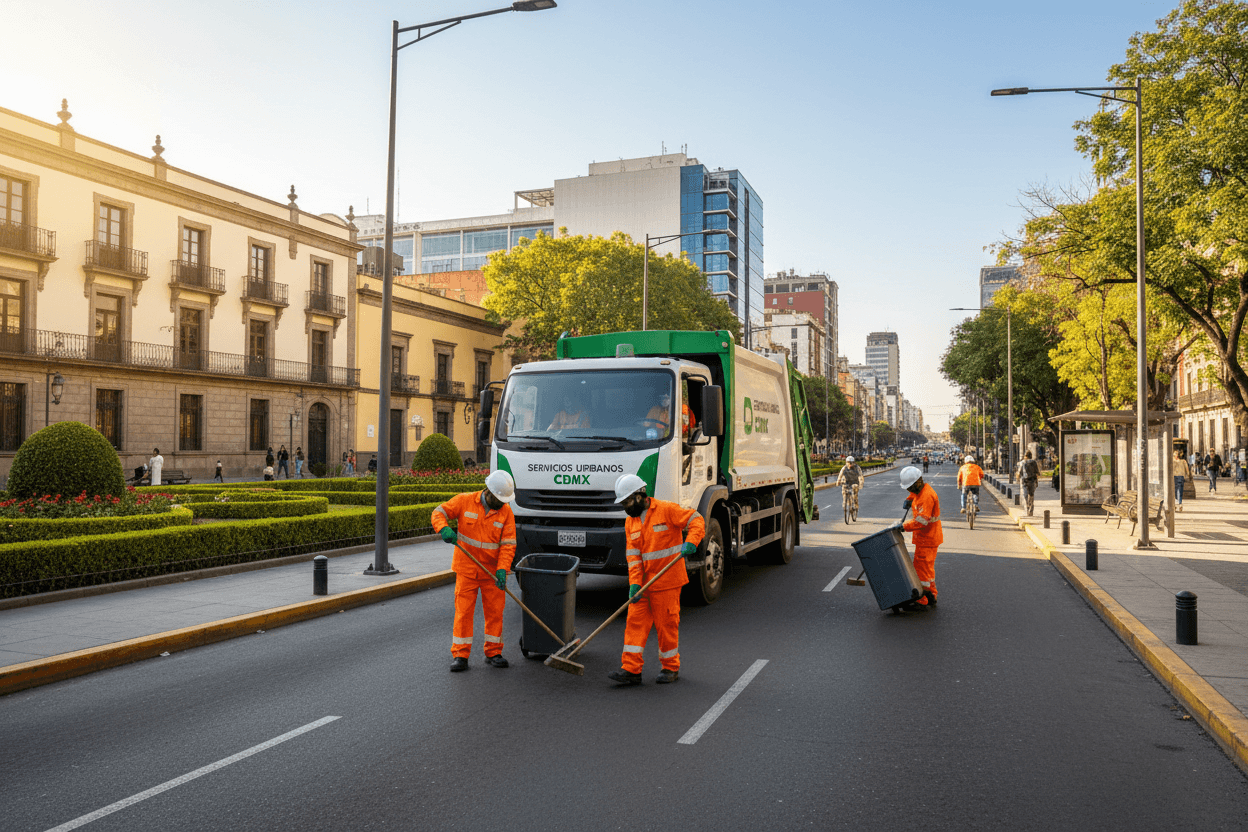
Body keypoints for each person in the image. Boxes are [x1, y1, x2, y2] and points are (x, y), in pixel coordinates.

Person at [607, 474, 705, 685]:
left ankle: (670, 668)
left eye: (627, 502)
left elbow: (696, 519)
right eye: (623, 503)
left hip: (667, 581)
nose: (625, 507)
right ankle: (631, 670)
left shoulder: (667, 510)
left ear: (640, 495)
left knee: (666, 625)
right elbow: (633, 558)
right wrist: (634, 584)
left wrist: (691, 541)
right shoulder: (630, 522)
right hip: (643, 584)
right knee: (634, 624)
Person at [431, 470, 517, 672]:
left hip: (492, 573)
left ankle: (494, 651)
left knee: (495, 613)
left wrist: (503, 570)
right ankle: (460, 655)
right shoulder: (464, 501)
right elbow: (438, 512)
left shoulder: (506, 513)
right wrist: (443, 528)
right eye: (499, 499)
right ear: (489, 492)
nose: (502, 503)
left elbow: (508, 545)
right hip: (466, 570)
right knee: (463, 613)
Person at [899, 466, 942, 610]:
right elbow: (914, 495)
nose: (909, 490)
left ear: (918, 482)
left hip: (928, 538)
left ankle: (922, 600)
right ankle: (932, 595)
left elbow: (921, 521)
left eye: (910, 487)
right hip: (925, 538)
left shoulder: (926, 496)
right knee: (926, 570)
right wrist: (909, 498)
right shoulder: (919, 490)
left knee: (923, 571)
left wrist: (903, 527)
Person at [1017, 451, 1040, 515]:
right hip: (1032, 480)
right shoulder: (1034, 462)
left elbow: (1019, 472)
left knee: (1025, 494)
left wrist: (1018, 479)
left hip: (1024, 481)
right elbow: (1037, 472)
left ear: (1025, 456)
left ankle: (1027, 506)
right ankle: (1031, 506)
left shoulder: (1022, 462)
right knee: (1031, 494)